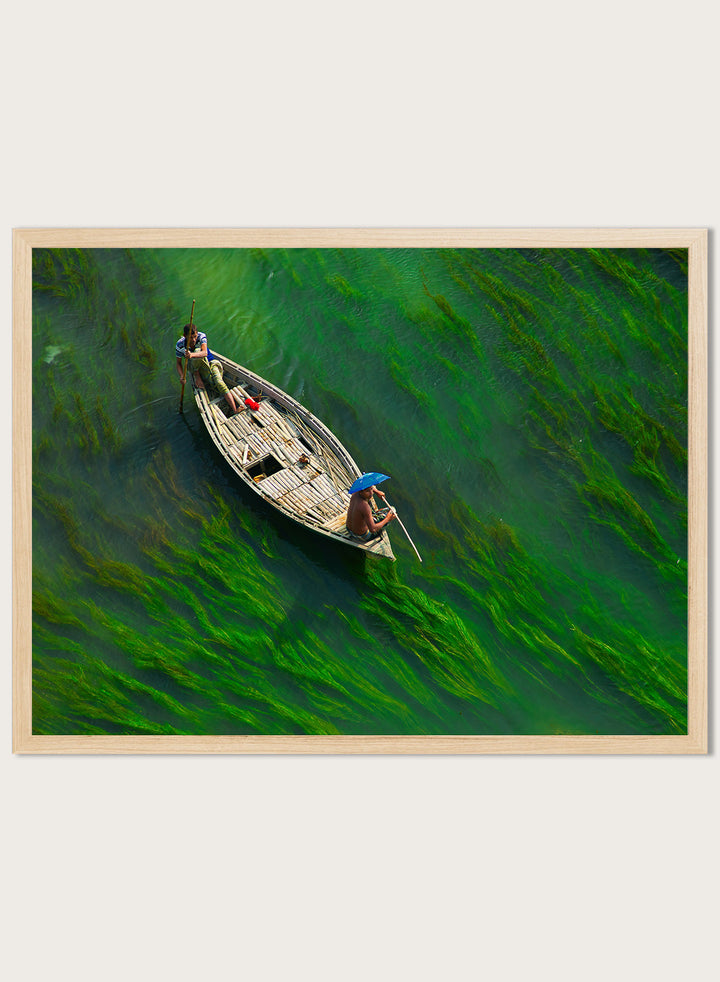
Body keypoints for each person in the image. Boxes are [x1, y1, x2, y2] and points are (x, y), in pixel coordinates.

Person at [175, 323, 240, 414]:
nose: (193, 340)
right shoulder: (180, 345)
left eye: (195, 336)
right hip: (194, 368)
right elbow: (178, 363)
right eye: (190, 337)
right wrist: (182, 376)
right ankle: (197, 375)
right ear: (185, 336)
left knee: (219, 382)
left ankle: (235, 409)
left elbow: (204, 353)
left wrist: (191, 355)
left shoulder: (201, 336)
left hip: (210, 363)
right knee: (195, 356)